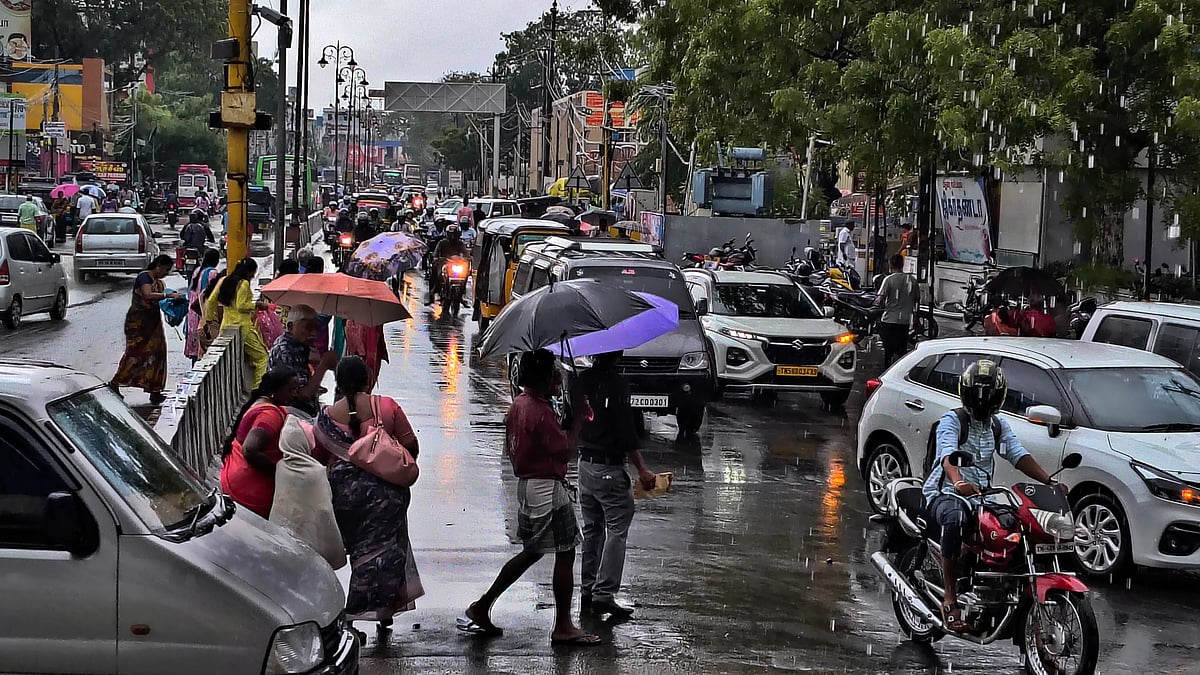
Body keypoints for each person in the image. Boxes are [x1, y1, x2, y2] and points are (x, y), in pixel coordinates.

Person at [461, 349, 600, 646]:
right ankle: (563, 625)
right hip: (546, 488)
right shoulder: (539, 411)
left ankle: (483, 605)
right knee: (565, 551)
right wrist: (576, 421)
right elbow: (563, 449)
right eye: (553, 374)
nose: (557, 379)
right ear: (542, 378)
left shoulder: (520, 405)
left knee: (533, 551)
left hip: (528, 486)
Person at [922, 360, 1057, 632]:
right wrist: (959, 482)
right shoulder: (953, 420)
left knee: (1015, 524)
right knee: (956, 517)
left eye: (989, 396)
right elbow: (947, 456)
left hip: (983, 497)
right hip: (945, 494)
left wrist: (1049, 481)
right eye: (977, 395)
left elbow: (1017, 454)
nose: (982, 402)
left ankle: (999, 586)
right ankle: (950, 597)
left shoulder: (997, 426)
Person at [313, 356, 424, 636]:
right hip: (387, 498)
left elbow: (319, 457)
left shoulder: (325, 418)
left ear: (338, 381)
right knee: (388, 552)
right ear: (368, 379)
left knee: (360, 553)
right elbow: (411, 446)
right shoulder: (386, 407)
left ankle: (351, 618)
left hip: (346, 499)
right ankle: (383, 613)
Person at [574, 351, 657, 618]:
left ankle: (587, 588)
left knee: (592, 529)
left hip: (585, 465)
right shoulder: (617, 384)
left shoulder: (580, 380)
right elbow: (626, 433)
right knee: (617, 528)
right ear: (618, 353)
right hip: (609, 468)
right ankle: (604, 592)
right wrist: (642, 469)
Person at [219, 367, 300, 518]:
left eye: (296, 389)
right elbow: (250, 450)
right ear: (276, 389)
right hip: (248, 488)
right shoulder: (270, 415)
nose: (295, 394)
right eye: (291, 390)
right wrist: (281, 473)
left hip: (234, 478)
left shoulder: (261, 402)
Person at [111, 255, 181, 404]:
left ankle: (155, 390)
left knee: (157, 354)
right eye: (166, 270)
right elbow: (147, 295)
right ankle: (115, 383)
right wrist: (167, 295)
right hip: (138, 324)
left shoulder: (159, 283)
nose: (166, 273)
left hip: (153, 323)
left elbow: (161, 301)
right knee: (135, 354)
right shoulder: (144, 278)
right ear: (158, 265)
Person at [208, 258, 271, 386]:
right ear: (249, 272)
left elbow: (210, 302)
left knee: (234, 362)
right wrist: (256, 305)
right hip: (243, 327)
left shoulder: (224, 281)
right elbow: (241, 305)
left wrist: (209, 321)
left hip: (226, 326)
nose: (253, 276)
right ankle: (258, 389)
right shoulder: (243, 284)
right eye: (253, 273)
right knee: (262, 357)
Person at [269, 304, 340, 417]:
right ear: (291, 326)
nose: (314, 334)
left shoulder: (297, 345)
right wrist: (323, 366)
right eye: (308, 328)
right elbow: (302, 395)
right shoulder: (286, 350)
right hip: (293, 413)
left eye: (315, 329)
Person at [874, 254, 920, 368]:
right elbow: (917, 300)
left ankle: (887, 372)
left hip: (889, 320)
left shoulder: (888, 280)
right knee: (901, 351)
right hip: (904, 322)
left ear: (890, 265)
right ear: (902, 265)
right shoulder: (912, 280)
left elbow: (879, 300)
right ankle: (899, 371)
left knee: (888, 351)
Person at [184, 249, 222, 363]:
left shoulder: (197, 271)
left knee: (196, 349)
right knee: (204, 344)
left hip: (193, 313)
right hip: (203, 313)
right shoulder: (213, 273)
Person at [425, 223, 468, 305]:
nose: (453, 236)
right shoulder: (442, 242)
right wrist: (436, 258)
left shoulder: (460, 243)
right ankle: (431, 295)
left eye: (454, 234)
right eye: (451, 234)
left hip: (456, 264)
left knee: (465, 275)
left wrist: (467, 258)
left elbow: (466, 253)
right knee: (435, 274)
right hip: (443, 263)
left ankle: (461, 295)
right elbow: (436, 253)